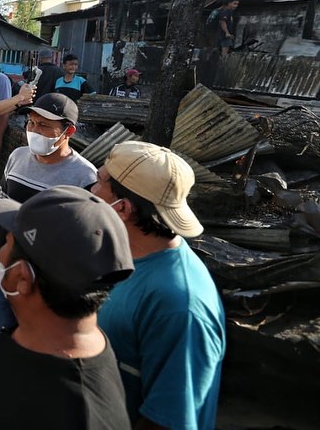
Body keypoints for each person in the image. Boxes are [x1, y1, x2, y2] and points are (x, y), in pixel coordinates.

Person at [0, 186, 134, 430]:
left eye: (7, 243)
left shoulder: (49, 411)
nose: (0, 253)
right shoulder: (86, 353)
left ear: (23, 277)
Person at [91, 141, 226, 429]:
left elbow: (167, 420)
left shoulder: (181, 307)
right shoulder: (120, 252)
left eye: (99, 183)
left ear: (122, 208)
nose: (92, 190)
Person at [0, 93, 97, 332]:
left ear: (68, 132)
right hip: (3, 264)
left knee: (33, 336)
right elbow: (0, 206)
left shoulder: (84, 176)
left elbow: (80, 240)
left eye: (43, 125)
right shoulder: (17, 157)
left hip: (43, 280)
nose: (33, 130)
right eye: (30, 122)